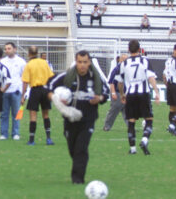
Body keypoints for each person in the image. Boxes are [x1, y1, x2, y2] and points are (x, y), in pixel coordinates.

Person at [46, 50, 109, 185]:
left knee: (81, 148)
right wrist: (56, 100)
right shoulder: (67, 76)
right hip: (70, 119)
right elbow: (48, 86)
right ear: (76, 62)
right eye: (79, 62)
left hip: (88, 119)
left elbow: (106, 93)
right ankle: (78, 171)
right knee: (73, 149)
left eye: (85, 62)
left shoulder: (95, 78)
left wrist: (99, 98)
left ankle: (78, 180)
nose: (82, 65)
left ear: (89, 63)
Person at [116, 39, 161, 155]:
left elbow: (119, 82)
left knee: (131, 122)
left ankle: (132, 149)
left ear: (128, 50)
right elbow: (151, 77)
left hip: (130, 94)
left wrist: (122, 94)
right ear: (139, 49)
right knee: (149, 120)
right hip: (144, 94)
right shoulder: (145, 61)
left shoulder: (124, 63)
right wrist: (156, 92)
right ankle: (144, 140)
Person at [21, 46, 55, 145]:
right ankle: (48, 139)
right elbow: (51, 77)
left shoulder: (29, 65)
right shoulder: (44, 62)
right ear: (37, 53)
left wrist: (23, 96)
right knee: (46, 114)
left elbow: (25, 82)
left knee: (33, 115)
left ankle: (31, 140)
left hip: (35, 90)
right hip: (45, 90)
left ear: (29, 53)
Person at [0, 42, 26, 140]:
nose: (7, 50)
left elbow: (24, 78)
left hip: (16, 90)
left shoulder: (21, 62)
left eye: (9, 48)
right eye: (6, 49)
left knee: (16, 113)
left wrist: (23, 93)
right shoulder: (2, 62)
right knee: (4, 114)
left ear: (14, 49)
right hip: (5, 91)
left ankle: (16, 133)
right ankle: (3, 133)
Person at [103, 55, 128, 131]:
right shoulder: (117, 69)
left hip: (125, 93)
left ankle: (130, 126)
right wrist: (113, 93)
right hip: (117, 92)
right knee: (114, 109)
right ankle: (107, 126)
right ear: (121, 60)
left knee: (127, 110)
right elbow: (111, 82)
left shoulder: (127, 69)